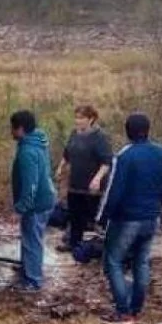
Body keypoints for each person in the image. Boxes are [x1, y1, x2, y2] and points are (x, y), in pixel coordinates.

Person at [97, 113, 162, 324]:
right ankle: (135, 309)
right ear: (148, 130)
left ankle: (123, 312)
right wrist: (157, 207)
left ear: (127, 131)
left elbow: (113, 191)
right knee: (141, 261)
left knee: (113, 261)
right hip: (152, 217)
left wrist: (102, 217)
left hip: (127, 218)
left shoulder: (124, 156)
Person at [10, 110, 57, 292]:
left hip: (37, 203)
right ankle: (27, 268)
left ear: (21, 129)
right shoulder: (37, 141)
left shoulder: (27, 151)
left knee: (32, 241)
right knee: (29, 237)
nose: (11, 132)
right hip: (44, 197)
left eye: (13, 128)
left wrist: (21, 208)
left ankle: (33, 281)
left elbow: (31, 185)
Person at [55, 105, 112, 252]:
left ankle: (96, 247)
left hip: (92, 187)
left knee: (93, 218)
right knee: (74, 215)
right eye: (76, 117)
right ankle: (73, 244)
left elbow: (106, 162)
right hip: (75, 183)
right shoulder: (74, 133)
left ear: (91, 119)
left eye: (81, 118)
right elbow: (67, 153)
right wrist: (61, 167)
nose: (77, 121)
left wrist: (97, 179)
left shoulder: (99, 137)